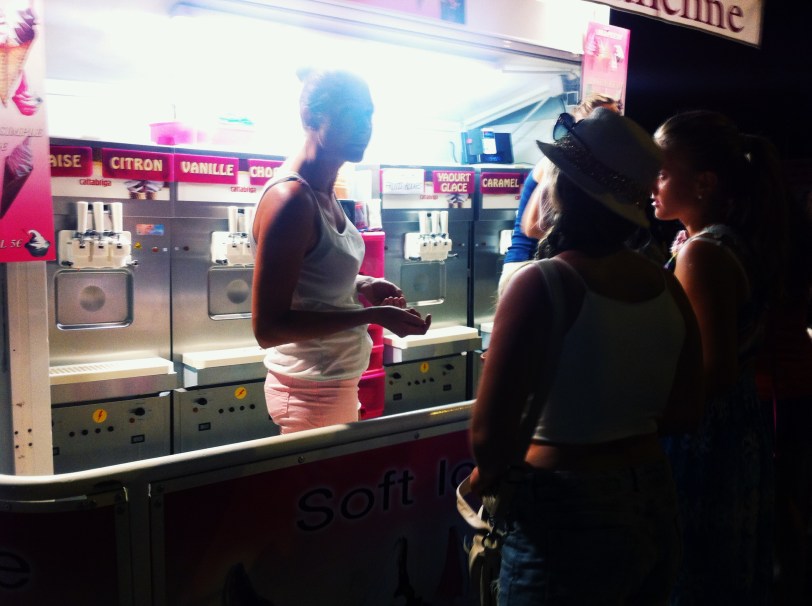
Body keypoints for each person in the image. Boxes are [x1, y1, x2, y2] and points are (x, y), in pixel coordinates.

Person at [469, 107, 703, 605]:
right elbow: (685, 410)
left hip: (563, 508)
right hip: (653, 494)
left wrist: (480, 480)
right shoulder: (667, 286)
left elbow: (488, 434)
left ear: (565, 190)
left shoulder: (541, 282)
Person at [251, 68, 431, 434]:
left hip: (331, 382)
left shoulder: (324, 190)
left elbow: (312, 279)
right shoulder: (291, 199)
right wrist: (372, 315)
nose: (364, 126)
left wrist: (362, 284)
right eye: (350, 113)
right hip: (310, 390)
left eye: (369, 114)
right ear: (310, 116)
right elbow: (268, 328)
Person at [653, 110, 784, 605]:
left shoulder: (703, 252)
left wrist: (650, 414)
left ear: (704, 183)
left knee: (695, 574)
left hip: (704, 436)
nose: (651, 184)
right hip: (737, 426)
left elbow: (713, 369)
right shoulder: (716, 240)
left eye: (662, 172)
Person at [497, 93, 619, 296]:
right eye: (607, 120)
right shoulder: (558, 161)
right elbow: (535, 228)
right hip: (526, 265)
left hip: (553, 268)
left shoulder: (589, 166)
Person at [753, 187, 812, 606]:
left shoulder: (760, 261)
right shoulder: (797, 254)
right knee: (793, 496)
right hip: (798, 383)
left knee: (777, 499)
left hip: (771, 390)